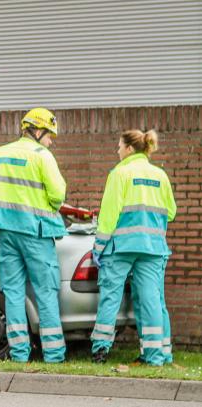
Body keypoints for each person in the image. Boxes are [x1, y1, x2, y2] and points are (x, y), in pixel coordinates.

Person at [0, 107, 68, 363]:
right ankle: (54, 356)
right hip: (35, 234)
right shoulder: (42, 156)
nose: (50, 141)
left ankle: (18, 355)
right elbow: (58, 195)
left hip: (6, 234)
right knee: (46, 292)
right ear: (37, 131)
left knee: (13, 293)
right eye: (49, 135)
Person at [90, 129, 175, 366]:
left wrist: (98, 246)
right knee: (151, 300)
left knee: (111, 297)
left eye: (119, 146)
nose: (117, 151)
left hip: (122, 246)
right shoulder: (160, 175)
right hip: (153, 247)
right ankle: (155, 355)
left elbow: (108, 215)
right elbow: (172, 212)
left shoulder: (120, 173)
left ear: (129, 148)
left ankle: (100, 350)